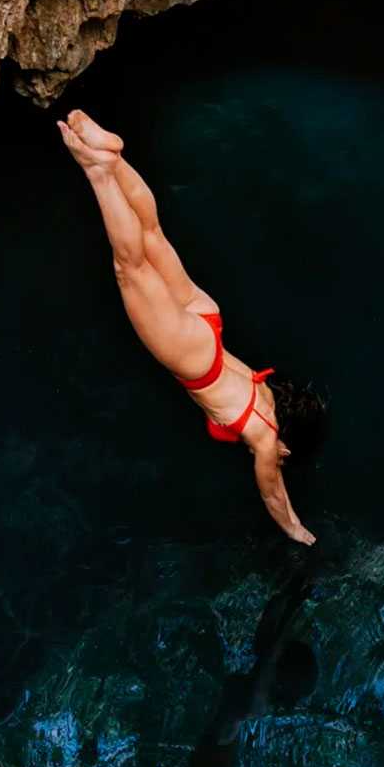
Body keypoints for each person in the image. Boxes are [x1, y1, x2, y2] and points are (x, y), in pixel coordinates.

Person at [56, 110, 325, 546]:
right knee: (131, 267)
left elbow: (280, 481)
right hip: (192, 356)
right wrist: (296, 530)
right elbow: (273, 494)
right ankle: (99, 171)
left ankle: (114, 154)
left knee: (153, 234)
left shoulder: (273, 396)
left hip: (207, 323)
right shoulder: (262, 443)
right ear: (287, 447)